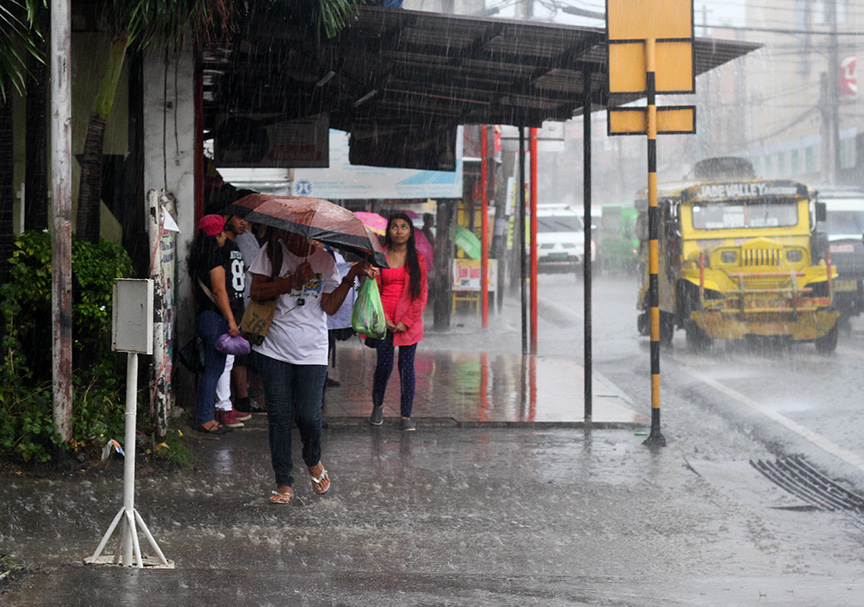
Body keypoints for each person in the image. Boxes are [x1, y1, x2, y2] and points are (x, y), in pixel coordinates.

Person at [249, 229, 377, 504]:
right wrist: (289, 282)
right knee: (280, 416)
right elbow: (256, 291)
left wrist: (350, 277)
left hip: (312, 351)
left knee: (309, 414)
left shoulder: (325, 261)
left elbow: (329, 307)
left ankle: (313, 458)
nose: (298, 238)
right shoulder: (271, 252)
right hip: (273, 348)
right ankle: (284, 482)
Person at [369, 213, 429, 432]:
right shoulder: (380, 255)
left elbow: (421, 294)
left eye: (404, 227)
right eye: (394, 227)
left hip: (408, 323)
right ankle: (377, 405)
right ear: (389, 231)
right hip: (383, 320)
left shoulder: (417, 258)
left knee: (406, 368)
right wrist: (384, 318)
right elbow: (372, 289)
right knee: (383, 366)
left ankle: (405, 415)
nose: (399, 231)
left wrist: (406, 321)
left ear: (411, 231)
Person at [188, 214, 245, 435]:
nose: (224, 237)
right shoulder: (215, 259)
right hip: (215, 319)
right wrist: (231, 320)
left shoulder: (199, 257)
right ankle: (204, 418)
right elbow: (220, 292)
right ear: (217, 236)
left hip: (206, 317)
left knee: (212, 368)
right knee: (214, 369)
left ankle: (205, 415)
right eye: (221, 233)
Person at [211, 213, 253, 428]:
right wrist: (229, 316)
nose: (244, 222)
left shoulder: (235, 246)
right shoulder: (221, 247)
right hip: (226, 310)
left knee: (229, 359)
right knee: (224, 360)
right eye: (240, 218)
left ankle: (226, 405)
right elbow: (219, 287)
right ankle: (223, 406)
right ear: (227, 218)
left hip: (236, 307)